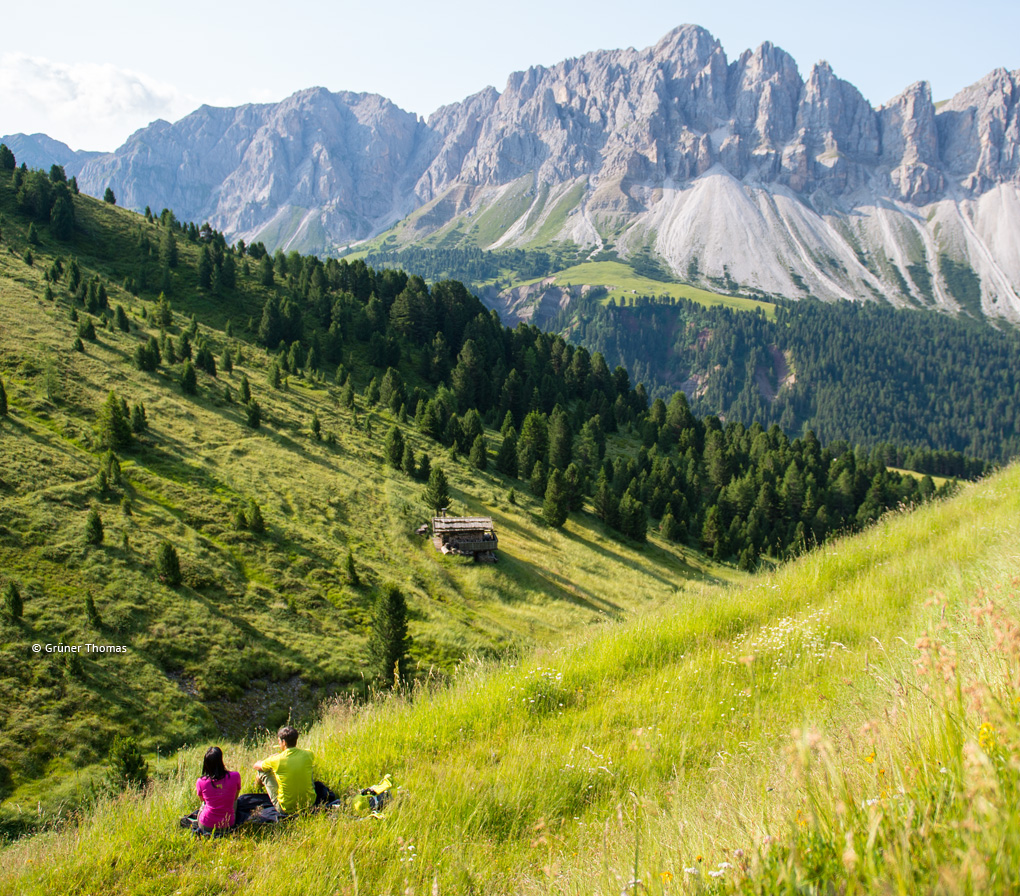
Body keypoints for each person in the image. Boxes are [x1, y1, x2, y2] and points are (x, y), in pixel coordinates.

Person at [253, 725, 316, 814]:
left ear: (284, 742)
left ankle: (255, 789)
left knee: (262, 772)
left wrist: (268, 759)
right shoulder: (308, 754)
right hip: (309, 804)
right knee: (308, 767)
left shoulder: (276, 760)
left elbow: (256, 766)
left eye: (279, 741)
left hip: (286, 808)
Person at [195, 746, 241, 832]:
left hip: (206, 824)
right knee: (235, 802)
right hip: (228, 824)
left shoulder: (201, 781)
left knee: (204, 805)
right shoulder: (235, 776)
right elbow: (235, 798)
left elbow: (203, 800)